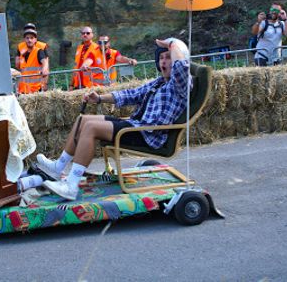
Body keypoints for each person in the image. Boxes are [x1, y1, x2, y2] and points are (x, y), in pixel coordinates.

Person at [37, 38, 191, 200]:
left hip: (149, 135)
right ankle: (58, 166)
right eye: (161, 58)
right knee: (84, 120)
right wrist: (99, 98)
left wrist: (172, 44)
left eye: (168, 57)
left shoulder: (181, 85)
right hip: (136, 126)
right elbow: (131, 94)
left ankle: (71, 185)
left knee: (91, 128)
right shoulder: (158, 83)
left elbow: (181, 68)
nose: (164, 62)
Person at [15, 23, 49, 94]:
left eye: (31, 37)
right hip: (24, 87)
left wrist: (45, 83)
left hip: (36, 86)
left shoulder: (41, 47)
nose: (29, 40)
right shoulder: (21, 47)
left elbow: (45, 64)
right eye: (27, 37)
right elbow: (18, 65)